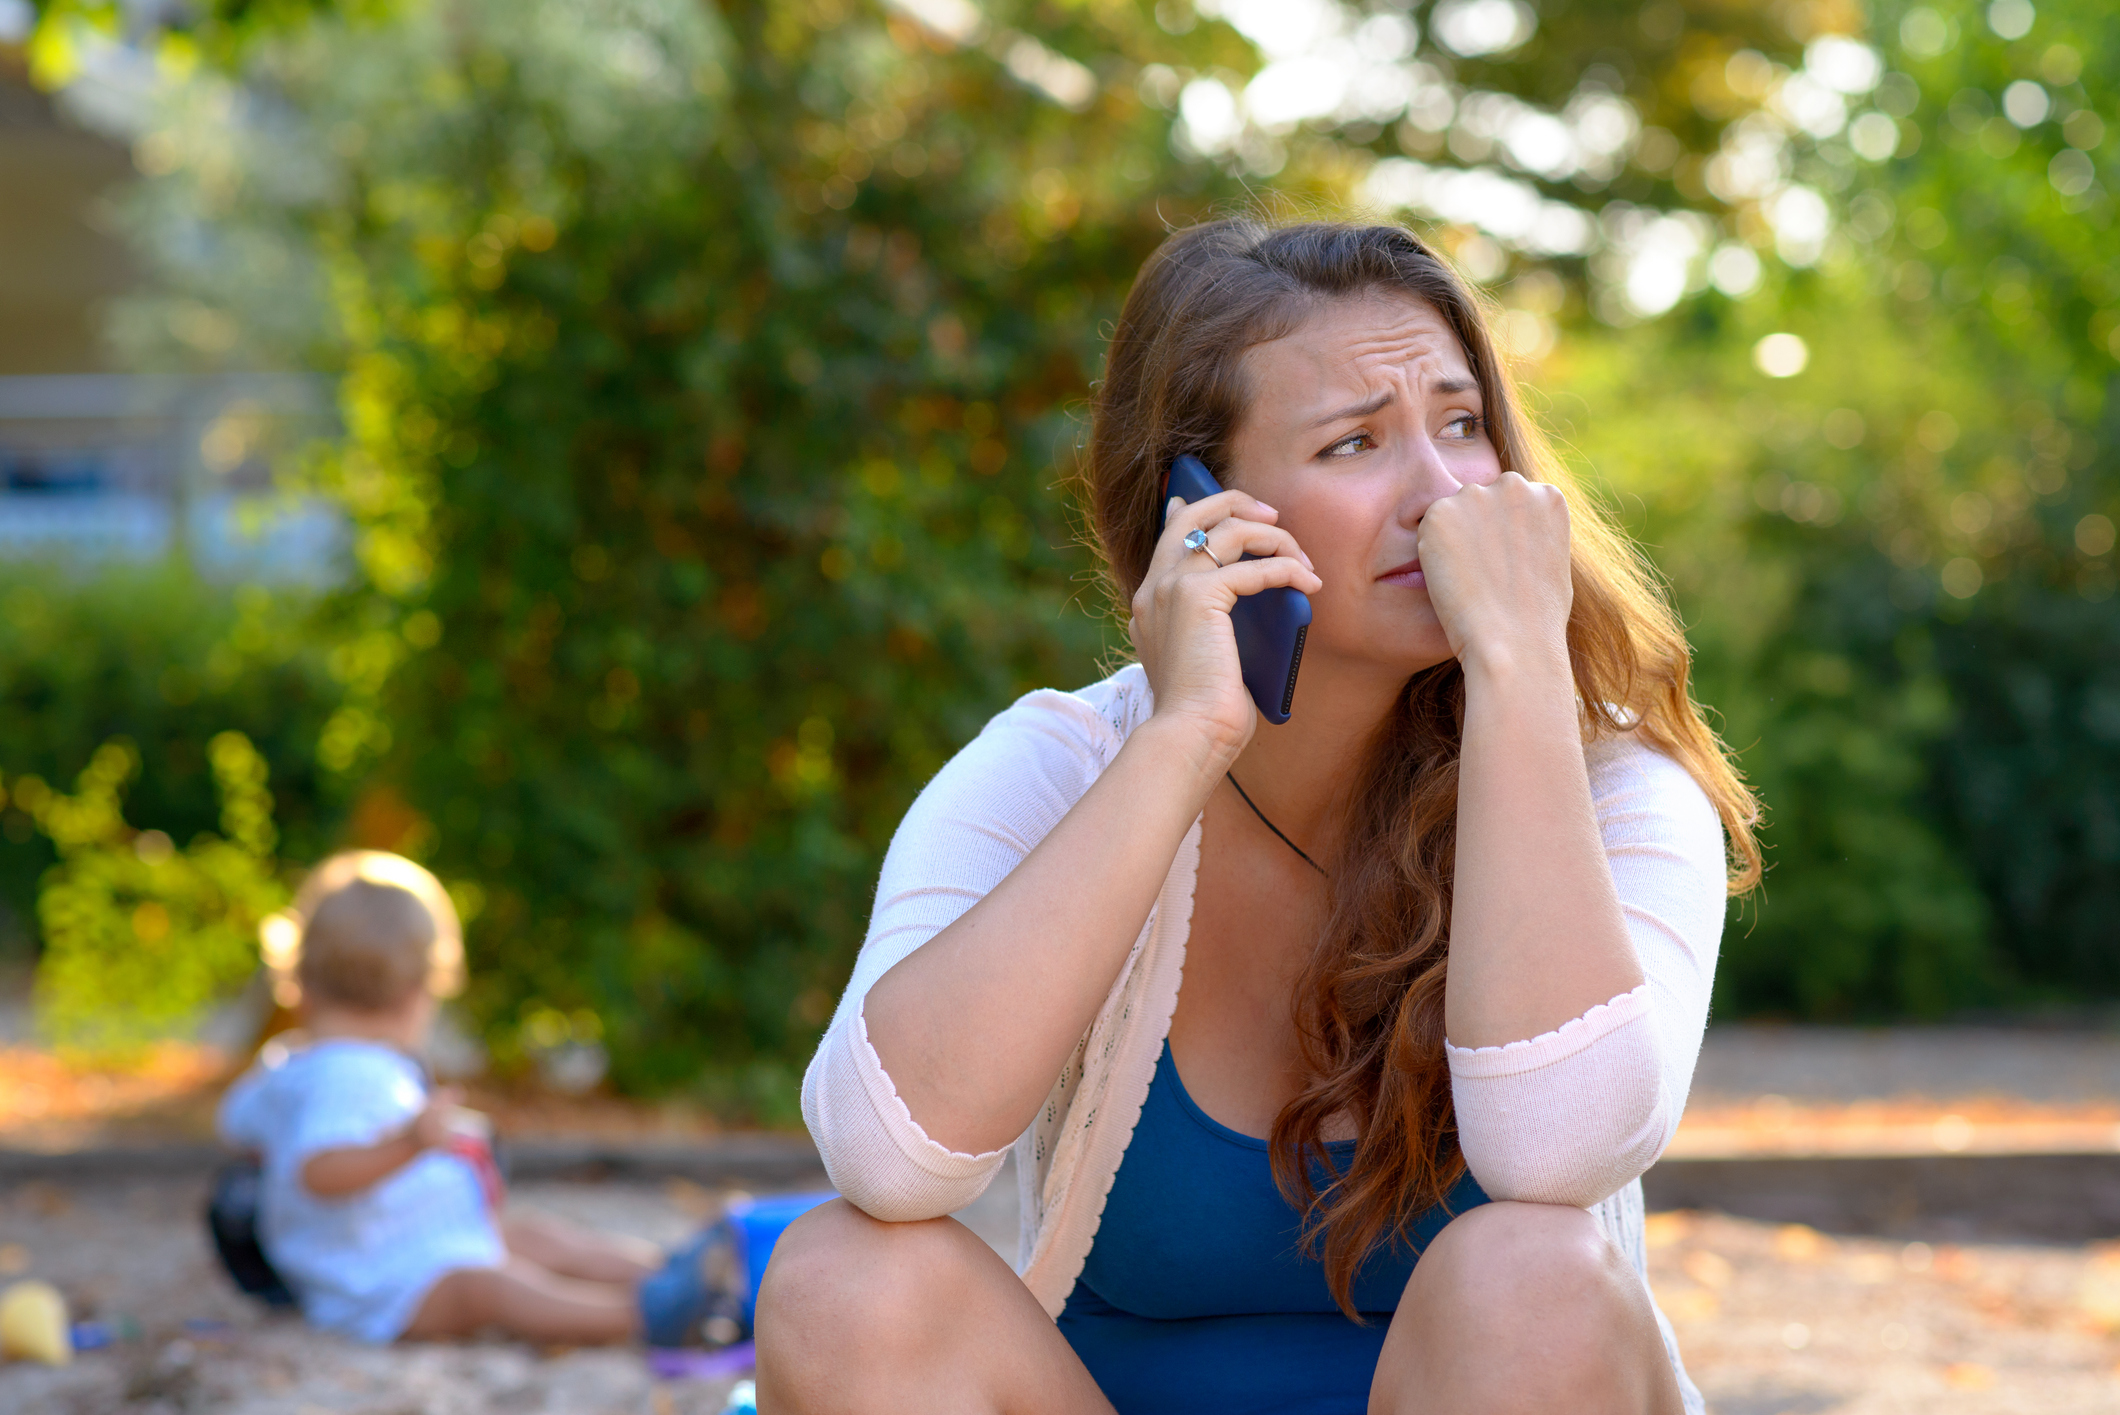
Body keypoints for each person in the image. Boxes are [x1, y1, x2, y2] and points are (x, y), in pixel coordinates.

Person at [756, 219, 1761, 1415]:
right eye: (1354, 443)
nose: (1441, 495)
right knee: (839, 1276)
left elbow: (1560, 1148)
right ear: (1201, 509)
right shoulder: (1060, 765)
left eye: (1460, 423)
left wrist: (1522, 674)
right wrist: (1181, 737)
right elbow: (884, 1154)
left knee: (1527, 1268)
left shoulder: (1609, 779)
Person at [217, 850, 719, 1347]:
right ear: (419, 990)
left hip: (410, 1244)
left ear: (300, 980)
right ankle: (646, 1312)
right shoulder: (347, 1073)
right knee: (492, 1290)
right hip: (379, 1283)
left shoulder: (295, 1067)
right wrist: (408, 1144)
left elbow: (236, 1124)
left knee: (536, 1238)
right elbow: (317, 1170)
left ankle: (680, 1274)